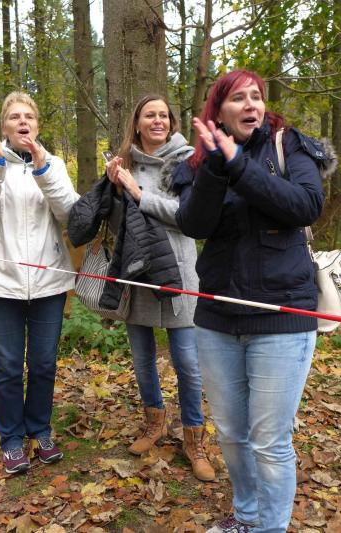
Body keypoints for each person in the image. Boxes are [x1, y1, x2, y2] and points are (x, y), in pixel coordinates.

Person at [173, 70, 327, 532]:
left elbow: (305, 206)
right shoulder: (198, 162)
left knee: (269, 441)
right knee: (232, 435)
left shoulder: (288, 145)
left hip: (282, 318)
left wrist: (239, 163)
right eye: (237, 98)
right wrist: (216, 165)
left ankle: (270, 528)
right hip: (218, 319)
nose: (250, 105)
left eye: (255, 96)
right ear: (218, 111)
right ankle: (246, 517)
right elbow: (194, 224)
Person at [71, 95, 215, 482]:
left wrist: (139, 193)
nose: (157, 121)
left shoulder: (188, 161)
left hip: (178, 274)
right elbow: (118, 225)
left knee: (187, 363)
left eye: (163, 115)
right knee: (142, 358)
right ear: (136, 123)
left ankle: (194, 438)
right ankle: (154, 422)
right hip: (136, 274)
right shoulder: (125, 163)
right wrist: (115, 189)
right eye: (149, 115)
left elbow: (189, 219)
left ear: (171, 122)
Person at [0, 92, 79, 475]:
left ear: (38, 125)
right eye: (14, 116)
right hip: (1, 284)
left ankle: (40, 431)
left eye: (28, 115)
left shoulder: (54, 164)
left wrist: (43, 169)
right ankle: (12, 440)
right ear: (4, 127)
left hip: (49, 283)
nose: (23, 121)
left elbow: (70, 214)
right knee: (9, 366)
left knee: (44, 364)